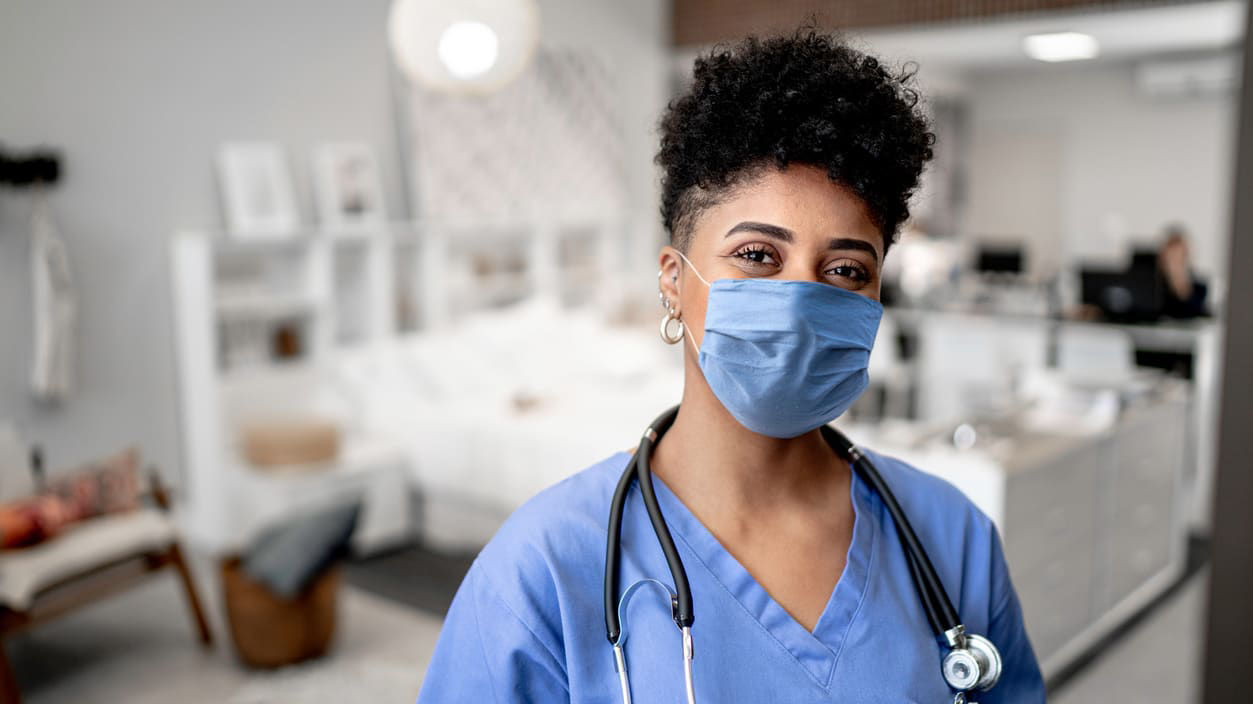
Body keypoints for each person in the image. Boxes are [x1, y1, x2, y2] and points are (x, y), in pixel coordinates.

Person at [417, 29, 1045, 702]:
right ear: (671, 281)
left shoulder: (949, 535)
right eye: (756, 256)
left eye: (844, 269)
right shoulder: (545, 565)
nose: (800, 300)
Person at [1157, 225, 1209, 318]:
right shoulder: (1154, 283)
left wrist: (1178, 278)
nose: (1175, 259)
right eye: (1172, 255)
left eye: (1178, 255)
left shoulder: (1200, 286)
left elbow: (1192, 310)